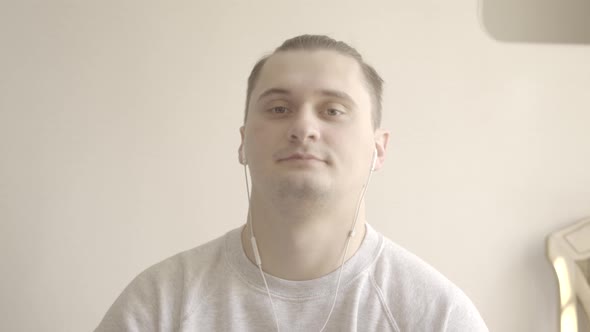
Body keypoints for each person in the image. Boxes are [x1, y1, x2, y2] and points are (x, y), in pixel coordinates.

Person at [95, 34, 488, 332]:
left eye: (333, 110)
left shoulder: (437, 315)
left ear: (378, 149)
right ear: (243, 141)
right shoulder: (160, 304)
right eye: (279, 108)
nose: (303, 127)